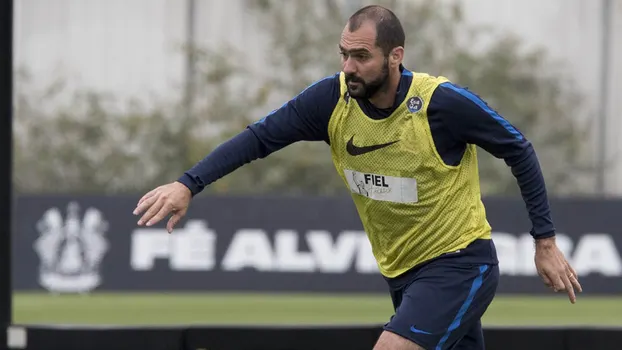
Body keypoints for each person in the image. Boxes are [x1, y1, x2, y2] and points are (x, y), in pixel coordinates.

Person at [133, 5, 582, 350]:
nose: (349, 66)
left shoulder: (441, 103)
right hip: (401, 275)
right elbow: (259, 138)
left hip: (460, 265)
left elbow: (518, 148)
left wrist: (544, 242)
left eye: (362, 56)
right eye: (344, 54)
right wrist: (188, 183)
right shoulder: (331, 100)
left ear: (395, 57)